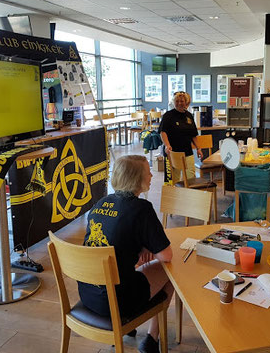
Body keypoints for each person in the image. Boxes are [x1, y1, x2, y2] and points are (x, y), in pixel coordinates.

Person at [79, 155, 174, 353]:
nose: (151, 175)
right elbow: (166, 255)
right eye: (147, 172)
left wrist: (143, 246)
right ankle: (151, 338)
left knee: (134, 267)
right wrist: (150, 248)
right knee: (170, 272)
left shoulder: (100, 204)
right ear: (135, 178)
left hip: (88, 295)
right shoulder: (142, 209)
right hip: (115, 302)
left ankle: (129, 331)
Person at [159, 91, 203, 184]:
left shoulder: (189, 116)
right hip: (172, 152)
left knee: (191, 177)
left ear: (186, 102)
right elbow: (163, 132)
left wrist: (198, 148)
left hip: (187, 151)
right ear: (174, 102)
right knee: (173, 179)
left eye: (182, 101)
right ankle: (174, 197)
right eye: (177, 101)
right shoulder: (168, 115)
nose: (179, 103)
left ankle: (188, 196)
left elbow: (193, 134)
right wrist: (167, 145)